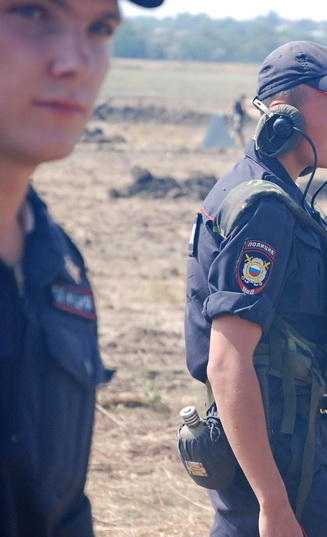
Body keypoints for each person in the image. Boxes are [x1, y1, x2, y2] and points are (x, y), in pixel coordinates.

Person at [184, 41, 327, 537]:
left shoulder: (274, 194)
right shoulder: (264, 207)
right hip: (279, 446)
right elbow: (228, 359)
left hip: (284, 437)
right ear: (284, 118)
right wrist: (272, 503)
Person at [0, 0, 163, 536]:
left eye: (100, 27)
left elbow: (59, 506)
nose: (77, 62)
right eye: (31, 12)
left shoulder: (56, 260)